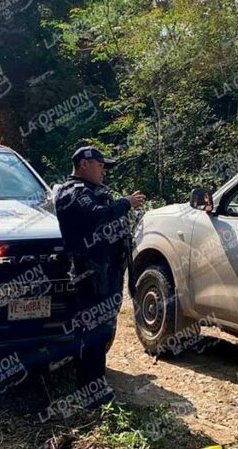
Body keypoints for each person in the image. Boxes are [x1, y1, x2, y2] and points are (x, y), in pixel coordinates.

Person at [54, 145, 146, 405]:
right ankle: (91, 393)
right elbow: (96, 216)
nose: (104, 170)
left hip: (105, 272)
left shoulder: (92, 192)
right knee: (94, 333)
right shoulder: (74, 193)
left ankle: (93, 388)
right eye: (100, 165)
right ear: (84, 164)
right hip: (91, 275)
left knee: (101, 332)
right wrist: (125, 203)